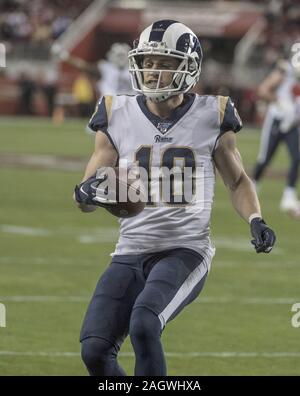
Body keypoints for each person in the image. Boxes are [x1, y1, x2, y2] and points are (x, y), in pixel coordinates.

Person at [73, 20, 276, 376]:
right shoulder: (116, 112)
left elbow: (238, 180)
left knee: (145, 325)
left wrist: (256, 219)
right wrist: (88, 193)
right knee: (94, 349)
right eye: (148, 62)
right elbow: (86, 197)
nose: (152, 72)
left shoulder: (212, 114)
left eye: (164, 62)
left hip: (185, 250)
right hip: (130, 249)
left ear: (189, 66)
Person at [253, 58, 300, 218]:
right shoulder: (284, 70)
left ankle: (288, 196)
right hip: (276, 120)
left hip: (292, 124)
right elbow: (263, 90)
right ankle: (253, 187)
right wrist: (279, 102)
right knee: (265, 158)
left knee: (297, 157)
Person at [58, 42, 134, 97]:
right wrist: (66, 57)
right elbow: (84, 66)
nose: (120, 58)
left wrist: (65, 57)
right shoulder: (105, 67)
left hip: (125, 103)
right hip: (111, 103)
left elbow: (83, 66)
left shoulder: (135, 69)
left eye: (122, 56)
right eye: (119, 56)